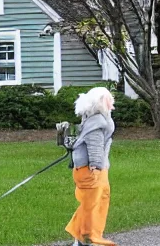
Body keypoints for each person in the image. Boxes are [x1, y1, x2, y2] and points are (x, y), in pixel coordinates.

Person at [65, 87, 117, 246]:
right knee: (91, 206)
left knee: (96, 203)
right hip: (91, 170)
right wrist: (95, 166)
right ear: (101, 102)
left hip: (96, 170)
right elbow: (94, 146)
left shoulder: (97, 119)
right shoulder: (97, 122)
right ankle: (86, 239)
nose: (112, 104)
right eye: (109, 100)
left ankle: (84, 239)